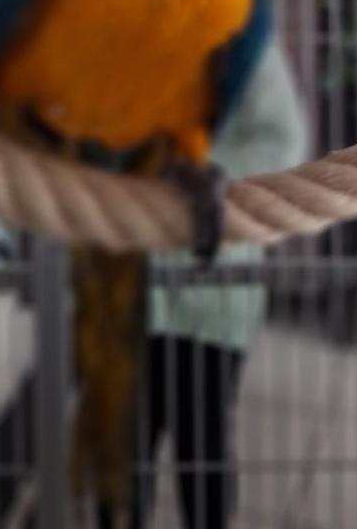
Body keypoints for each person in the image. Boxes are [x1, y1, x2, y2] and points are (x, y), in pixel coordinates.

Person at [125, 37, 310, 529]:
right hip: (123, 290)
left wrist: (212, 180)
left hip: (212, 297)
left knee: (200, 447)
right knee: (122, 454)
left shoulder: (241, 32)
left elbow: (284, 139)